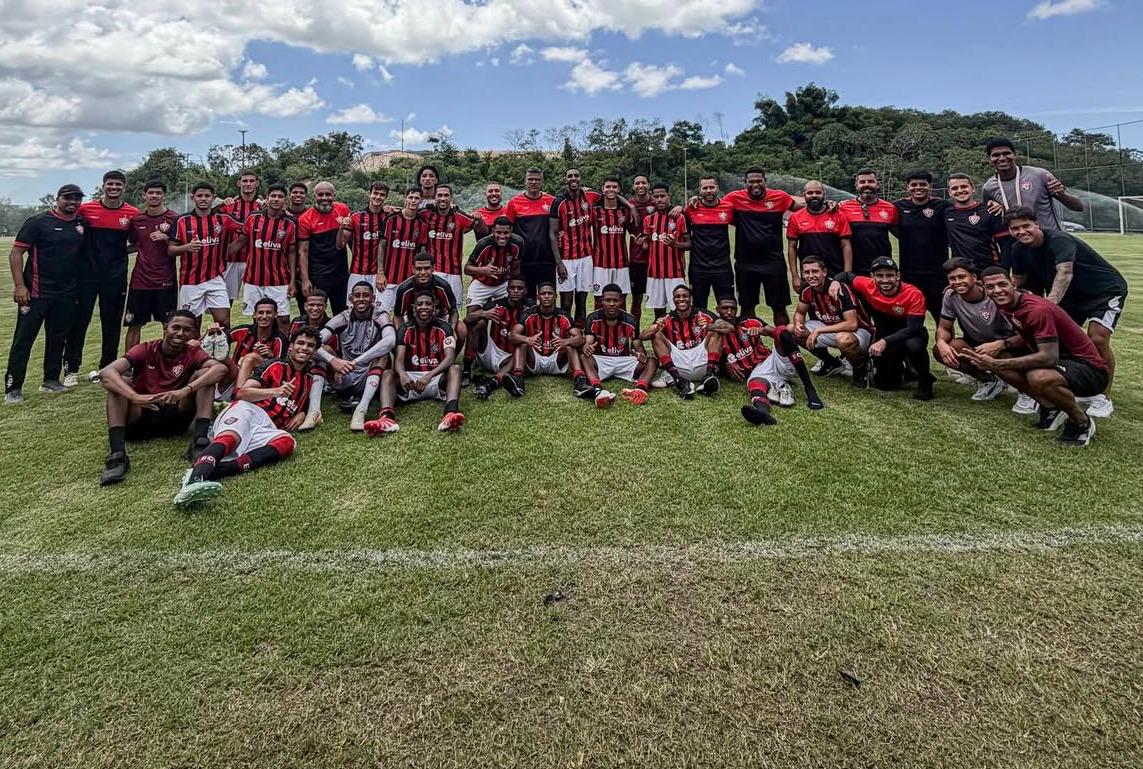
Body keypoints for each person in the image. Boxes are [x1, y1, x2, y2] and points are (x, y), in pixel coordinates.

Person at [173, 327, 319, 506]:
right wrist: (275, 391)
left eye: (310, 345)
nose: (304, 348)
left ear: (314, 352)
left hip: (268, 426)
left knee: (288, 442)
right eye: (300, 343)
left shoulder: (309, 379)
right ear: (291, 347)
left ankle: (215, 470)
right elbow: (241, 393)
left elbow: (304, 404)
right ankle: (194, 481)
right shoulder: (274, 365)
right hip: (248, 410)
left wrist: (302, 413)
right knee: (231, 437)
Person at [1006, 207, 1127, 418]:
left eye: (1026, 226)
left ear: (1037, 224)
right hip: (1070, 298)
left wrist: (1048, 307)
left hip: (1103, 292)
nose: (1021, 231)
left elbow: (1065, 273)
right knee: (1056, 340)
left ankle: (1103, 396)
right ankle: (1067, 385)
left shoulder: (1059, 239)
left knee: (1097, 338)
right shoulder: (1018, 249)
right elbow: (1019, 280)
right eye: (1015, 228)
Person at [960, 268, 1102, 446]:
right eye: (990, 287)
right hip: (1060, 360)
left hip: (1089, 368)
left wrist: (996, 364)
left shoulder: (1036, 309)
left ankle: (1081, 422)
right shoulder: (1006, 304)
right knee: (998, 354)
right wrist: (1003, 346)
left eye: (1002, 284)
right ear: (983, 288)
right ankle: (1050, 408)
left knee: (1038, 376)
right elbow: (1029, 334)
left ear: (1013, 283)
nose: (997, 290)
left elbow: (1048, 358)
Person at [98, 310, 227, 485]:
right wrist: (135, 397)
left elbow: (220, 369)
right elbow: (106, 372)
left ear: (194, 333)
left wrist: (185, 391)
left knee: (206, 375)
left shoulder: (193, 352)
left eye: (187, 330)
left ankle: (200, 441)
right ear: (166, 328)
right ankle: (117, 455)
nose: (180, 333)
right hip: (139, 417)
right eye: (176, 327)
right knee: (119, 383)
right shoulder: (145, 349)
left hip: (175, 418)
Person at [4, 184, 88, 404]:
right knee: (23, 339)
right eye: (68, 197)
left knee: (57, 338)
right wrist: (19, 286)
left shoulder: (81, 223)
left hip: (66, 293)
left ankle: (50, 380)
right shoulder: (38, 222)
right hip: (36, 292)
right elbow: (16, 253)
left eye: (77, 198)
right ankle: (13, 387)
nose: (73, 202)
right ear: (58, 199)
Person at [65, 170, 139, 385]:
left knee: (112, 323)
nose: (114, 187)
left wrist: (117, 253)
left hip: (115, 277)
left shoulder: (132, 213)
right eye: (110, 184)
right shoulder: (86, 209)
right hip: (86, 276)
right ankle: (71, 370)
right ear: (103, 185)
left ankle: (107, 367)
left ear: (124, 187)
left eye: (118, 184)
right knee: (79, 321)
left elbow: (137, 242)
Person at [364, 290, 465, 435]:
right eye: (420, 304)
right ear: (413, 308)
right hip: (410, 380)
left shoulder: (445, 328)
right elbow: (398, 360)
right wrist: (403, 375)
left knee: (455, 369)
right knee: (387, 374)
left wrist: (429, 376)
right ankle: (386, 418)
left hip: (435, 377)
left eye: (428, 304)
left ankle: (450, 413)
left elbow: (450, 358)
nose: (424, 307)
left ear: (434, 308)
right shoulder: (404, 329)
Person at [833, 256, 935, 400]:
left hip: (909, 333)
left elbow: (914, 329)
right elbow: (846, 276)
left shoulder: (913, 294)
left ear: (898, 276)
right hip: (886, 334)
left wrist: (884, 341)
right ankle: (904, 370)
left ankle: (925, 381)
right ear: (872, 276)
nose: (885, 280)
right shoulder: (867, 285)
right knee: (885, 384)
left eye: (889, 275)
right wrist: (835, 282)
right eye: (880, 276)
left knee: (914, 346)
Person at [710, 296, 824, 422]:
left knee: (781, 330)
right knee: (755, 385)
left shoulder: (748, 322)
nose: (729, 312)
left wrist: (762, 331)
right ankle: (763, 413)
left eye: (733, 308)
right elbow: (709, 356)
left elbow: (778, 333)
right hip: (757, 373)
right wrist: (724, 363)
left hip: (772, 361)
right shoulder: (713, 332)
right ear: (717, 309)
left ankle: (810, 390)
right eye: (725, 308)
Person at [309, 282, 396, 431]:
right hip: (344, 373)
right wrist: (333, 361)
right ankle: (314, 411)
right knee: (323, 351)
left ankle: (361, 410)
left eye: (366, 295)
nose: (361, 299)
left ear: (373, 298)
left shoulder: (380, 315)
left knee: (383, 354)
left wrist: (357, 361)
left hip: (370, 373)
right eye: (357, 296)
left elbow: (390, 341)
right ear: (351, 299)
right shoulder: (342, 317)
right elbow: (313, 342)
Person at [721, 167, 800, 324]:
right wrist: (695, 200)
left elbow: (804, 206)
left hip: (773, 262)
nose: (755, 184)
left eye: (759, 181)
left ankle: (782, 340)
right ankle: (750, 340)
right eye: (751, 181)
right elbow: (713, 207)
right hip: (746, 263)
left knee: (779, 307)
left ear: (765, 181)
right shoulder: (733, 198)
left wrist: (829, 205)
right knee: (747, 307)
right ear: (745, 182)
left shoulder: (779, 197)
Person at [932, 258, 1011, 402]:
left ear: (974, 277)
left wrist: (1002, 344)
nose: (957, 282)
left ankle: (1027, 392)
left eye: (962, 277)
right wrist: (941, 343)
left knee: (1010, 357)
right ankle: (989, 380)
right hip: (977, 344)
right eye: (952, 278)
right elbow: (944, 327)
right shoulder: (950, 296)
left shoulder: (994, 293)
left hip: (1005, 344)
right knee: (942, 350)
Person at [168, 182, 242, 329]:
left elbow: (249, 228)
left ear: (213, 198)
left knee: (224, 322)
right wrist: (187, 247)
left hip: (216, 278)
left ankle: (220, 345)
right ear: (193, 198)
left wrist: (228, 251)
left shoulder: (223, 219)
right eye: (199, 195)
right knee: (191, 325)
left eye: (207, 196)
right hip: (190, 281)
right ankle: (195, 345)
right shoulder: (182, 220)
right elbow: (171, 250)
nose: (203, 198)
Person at [791, 255, 873, 387]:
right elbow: (800, 312)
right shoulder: (806, 289)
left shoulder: (839, 288)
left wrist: (819, 330)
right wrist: (798, 324)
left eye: (815, 271)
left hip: (859, 330)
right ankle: (831, 363)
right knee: (791, 330)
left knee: (843, 340)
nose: (811, 276)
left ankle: (861, 366)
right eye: (807, 272)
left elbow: (852, 324)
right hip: (830, 326)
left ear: (824, 272)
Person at [462, 219, 523, 382]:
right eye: (498, 232)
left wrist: (513, 286)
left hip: (502, 284)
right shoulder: (483, 244)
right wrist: (484, 270)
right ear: (493, 231)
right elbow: (467, 268)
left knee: (505, 317)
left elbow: (516, 268)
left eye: (506, 233)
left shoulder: (517, 243)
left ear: (511, 231)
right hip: (481, 284)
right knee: (474, 322)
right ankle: (468, 365)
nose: (502, 236)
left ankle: (502, 352)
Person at [123, 179, 180, 352]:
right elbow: (133, 244)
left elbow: (181, 245)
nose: (154, 196)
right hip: (140, 282)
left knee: (169, 324)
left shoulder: (174, 219)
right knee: (134, 324)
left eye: (158, 193)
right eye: (151, 193)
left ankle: (167, 362)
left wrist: (166, 238)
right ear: (144, 195)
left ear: (164, 196)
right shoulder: (136, 220)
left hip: (166, 281)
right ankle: (130, 363)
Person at [981, 138, 1083, 233]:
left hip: (1050, 239)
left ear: (1015, 155)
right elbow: (989, 219)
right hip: (1019, 241)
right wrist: (996, 207)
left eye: (1006, 153)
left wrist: (1062, 194)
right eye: (996, 155)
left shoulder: (1040, 175)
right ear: (989, 159)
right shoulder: (989, 188)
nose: (1002, 158)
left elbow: (1078, 207)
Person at [231, 183, 297, 331]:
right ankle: (259, 344)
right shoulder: (253, 218)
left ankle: (283, 345)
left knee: (283, 318)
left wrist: (292, 280)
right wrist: (220, 254)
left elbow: (292, 253)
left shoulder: (290, 224)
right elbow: (240, 242)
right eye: (273, 196)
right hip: (253, 279)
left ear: (285, 200)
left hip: (279, 279)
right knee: (257, 318)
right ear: (267, 198)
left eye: (280, 196)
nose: (276, 199)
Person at [580, 283, 656, 407]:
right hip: (602, 360)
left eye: (615, 300)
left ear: (621, 301)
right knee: (584, 357)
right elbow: (588, 343)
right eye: (608, 300)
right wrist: (587, 348)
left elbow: (639, 347)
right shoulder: (593, 318)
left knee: (652, 361)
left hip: (624, 360)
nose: (611, 304)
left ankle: (640, 389)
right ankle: (598, 390)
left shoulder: (630, 320)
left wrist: (640, 354)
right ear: (601, 301)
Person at [505, 282, 585, 396]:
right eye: (543, 294)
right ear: (538, 297)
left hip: (556, 359)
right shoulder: (529, 314)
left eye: (550, 293)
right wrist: (528, 339)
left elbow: (580, 339)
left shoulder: (563, 315)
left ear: (555, 296)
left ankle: (580, 381)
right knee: (522, 343)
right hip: (535, 359)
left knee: (570, 345)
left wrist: (565, 341)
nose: (546, 296)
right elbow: (512, 335)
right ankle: (518, 379)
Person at [644, 284, 721, 399]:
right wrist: (655, 327)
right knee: (656, 334)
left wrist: (710, 326)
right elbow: (642, 336)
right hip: (678, 365)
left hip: (703, 363)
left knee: (717, 330)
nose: (681, 299)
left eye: (685, 296)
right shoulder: (666, 318)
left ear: (691, 298)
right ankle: (678, 380)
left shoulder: (703, 314)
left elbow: (729, 327)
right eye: (677, 296)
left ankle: (709, 375)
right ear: (673, 299)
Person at [894, 170, 949, 321]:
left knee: (942, 317)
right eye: (914, 184)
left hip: (938, 274)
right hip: (910, 274)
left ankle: (943, 338)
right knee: (911, 319)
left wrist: (993, 203)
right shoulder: (898, 206)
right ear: (907, 187)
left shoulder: (943, 206)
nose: (918, 187)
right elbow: (891, 226)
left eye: (923, 184)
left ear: (930, 186)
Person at [209, 297, 289, 400]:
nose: (264, 316)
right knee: (219, 353)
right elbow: (221, 339)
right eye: (260, 313)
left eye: (269, 313)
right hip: (234, 374)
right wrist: (213, 332)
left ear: (275, 315)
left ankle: (237, 395)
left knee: (250, 358)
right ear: (254, 315)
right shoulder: (245, 330)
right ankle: (217, 396)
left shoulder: (280, 340)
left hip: (257, 380)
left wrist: (271, 357)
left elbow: (281, 370)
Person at [468, 277, 535, 400]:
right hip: (490, 350)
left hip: (509, 357)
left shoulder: (531, 308)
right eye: (512, 288)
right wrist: (483, 314)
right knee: (478, 324)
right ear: (507, 290)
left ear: (525, 290)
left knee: (521, 350)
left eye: (519, 288)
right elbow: (467, 319)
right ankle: (468, 367)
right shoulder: (496, 305)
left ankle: (491, 383)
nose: (515, 291)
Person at [421, 183, 486, 301]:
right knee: (433, 304)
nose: (443, 198)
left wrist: (479, 219)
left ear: (451, 197)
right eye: (440, 195)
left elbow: (483, 230)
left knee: (454, 306)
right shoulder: (426, 214)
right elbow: (409, 213)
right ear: (435, 197)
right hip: (433, 271)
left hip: (454, 272)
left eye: (446, 195)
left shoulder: (460, 217)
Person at [549, 168, 598, 325]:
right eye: (570, 176)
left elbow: (611, 195)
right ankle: (565, 333)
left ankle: (580, 333)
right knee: (566, 302)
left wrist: (630, 206)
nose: (573, 178)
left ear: (580, 178)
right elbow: (552, 234)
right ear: (566, 180)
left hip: (586, 257)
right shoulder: (558, 202)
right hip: (566, 259)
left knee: (582, 301)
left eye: (576, 175)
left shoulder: (589, 196)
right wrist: (559, 263)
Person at [298, 181, 352, 315]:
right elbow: (303, 252)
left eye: (328, 194)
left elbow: (345, 241)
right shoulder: (305, 219)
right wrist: (305, 280)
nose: (324, 198)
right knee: (316, 313)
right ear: (314, 196)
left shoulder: (343, 209)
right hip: (318, 274)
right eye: (320, 194)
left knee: (342, 314)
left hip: (340, 273)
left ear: (334, 195)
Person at [684, 175, 736, 311]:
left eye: (711, 187)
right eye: (705, 188)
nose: (708, 191)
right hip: (698, 267)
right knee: (698, 308)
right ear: (699, 190)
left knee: (727, 307)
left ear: (717, 188)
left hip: (722, 267)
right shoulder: (691, 208)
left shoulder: (728, 207)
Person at [786, 180, 852, 285]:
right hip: (809, 274)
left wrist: (847, 274)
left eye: (818, 192)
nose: (814, 195)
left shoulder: (838, 215)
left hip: (836, 272)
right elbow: (792, 247)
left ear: (824, 194)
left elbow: (846, 245)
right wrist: (795, 277)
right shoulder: (795, 217)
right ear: (803, 195)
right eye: (810, 193)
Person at [641, 183, 690, 319]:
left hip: (675, 272)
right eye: (656, 196)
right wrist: (643, 243)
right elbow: (647, 244)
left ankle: (679, 332)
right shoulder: (648, 219)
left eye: (662, 196)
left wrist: (675, 244)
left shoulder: (679, 217)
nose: (659, 199)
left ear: (669, 196)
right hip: (654, 273)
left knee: (679, 309)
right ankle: (661, 332)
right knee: (658, 311)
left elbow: (689, 244)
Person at [338, 181, 389, 310]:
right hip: (357, 271)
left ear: (386, 197)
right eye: (375, 193)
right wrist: (341, 227)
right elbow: (341, 244)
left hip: (379, 274)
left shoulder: (388, 217)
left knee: (378, 310)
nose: (378, 197)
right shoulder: (355, 217)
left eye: (382, 194)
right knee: (353, 308)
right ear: (369, 194)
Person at [838, 169, 898, 276]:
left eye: (870, 181)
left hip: (882, 269)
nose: (866, 184)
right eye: (862, 182)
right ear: (856, 185)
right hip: (854, 268)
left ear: (877, 184)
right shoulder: (844, 207)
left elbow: (900, 234)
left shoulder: (890, 208)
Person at [506, 167, 556, 295]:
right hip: (525, 260)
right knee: (528, 299)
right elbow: (508, 231)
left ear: (542, 181)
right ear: (525, 181)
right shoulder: (514, 203)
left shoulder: (552, 201)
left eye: (537, 179)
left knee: (547, 298)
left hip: (547, 259)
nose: (534, 182)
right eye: (530, 179)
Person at [591, 177, 640, 309]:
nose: (611, 189)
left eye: (614, 187)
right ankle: (598, 323)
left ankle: (621, 323)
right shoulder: (594, 211)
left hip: (621, 264)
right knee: (599, 300)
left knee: (621, 300)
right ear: (602, 189)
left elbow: (635, 231)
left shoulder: (625, 211)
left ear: (619, 189)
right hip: (600, 265)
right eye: (608, 187)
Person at [944, 173, 1008, 273]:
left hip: (988, 269)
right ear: (949, 192)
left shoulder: (990, 210)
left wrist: (1005, 268)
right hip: (962, 271)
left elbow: (1005, 245)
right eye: (955, 188)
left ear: (973, 188)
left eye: (964, 186)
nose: (960, 190)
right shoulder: (946, 213)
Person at [217, 170, 263, 303]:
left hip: (256, 261)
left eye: (251, 181)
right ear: (239, 183)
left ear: (257, 183)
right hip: (232, 260)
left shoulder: (263, 207)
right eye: (244, 181)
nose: (248, 184)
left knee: (257, 301)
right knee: (225, 301)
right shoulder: (228, 206)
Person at [393, 251, 460, 322]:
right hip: (413, 320)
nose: (423, 272)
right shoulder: (404, 289)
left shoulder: (443, 286)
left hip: (440, 318)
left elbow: (453, 312)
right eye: (419, 269)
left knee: (461, 327)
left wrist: (451, 328)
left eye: (426, 268)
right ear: (413, 269)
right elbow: (398, 316)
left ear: (433, 268)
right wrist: (401, 329)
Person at [382, 187, 428, 289]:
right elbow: (381, 246)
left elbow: (422, 250)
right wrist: (380, 273)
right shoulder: (391, 219)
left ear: (421, 200)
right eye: (411, 197)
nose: (413, 200)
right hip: (388, 278)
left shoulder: (422, 224)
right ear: (405, 198)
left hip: (410, 280)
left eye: (416, 198)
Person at [627, 174, 656, 320]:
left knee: (657, 301)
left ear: (648, 185)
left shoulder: (656, 203)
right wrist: (631, 206)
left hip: (655, 260)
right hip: (636, 260)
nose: (640, 185)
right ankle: (635, 331)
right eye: (637, 183)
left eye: (643, 183)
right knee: (636, 300)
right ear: (633, 186)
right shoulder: (628, 204)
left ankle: (659, 331)